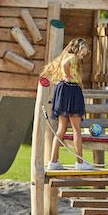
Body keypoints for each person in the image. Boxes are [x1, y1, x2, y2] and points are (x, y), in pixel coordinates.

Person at [41, 37, 93, 170]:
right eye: (83, 51)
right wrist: (67, 74)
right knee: (76, 129)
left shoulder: (66, 56)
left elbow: (64, 63)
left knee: (61, 128)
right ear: (78, 49)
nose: (83, 55)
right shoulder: (73, 57)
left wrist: (66, 75)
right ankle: (80, 163)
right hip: (72, 90)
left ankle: (53, 161)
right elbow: (65, 64)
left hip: (63, 90)